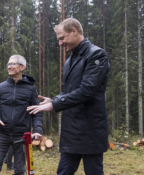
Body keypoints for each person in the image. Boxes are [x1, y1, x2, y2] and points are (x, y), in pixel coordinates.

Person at [27, 18, 110, 175]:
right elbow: (69, 90)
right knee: (63, 172)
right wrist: (54, 99)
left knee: (93, 172)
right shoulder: (70, 60)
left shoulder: (96, 55)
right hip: (71, 130)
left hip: (90, 129)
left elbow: (87, 90)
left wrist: (55, 105)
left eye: (62, 38)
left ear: (74, 31)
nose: (60, 43)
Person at [0, 55, 43, 175]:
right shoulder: (0, 87)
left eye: (13, 64)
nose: (9, 67)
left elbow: (37, 112)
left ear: (22, 67)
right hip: (2, 134)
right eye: (8, 64)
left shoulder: (31, 88)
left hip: (22, 136)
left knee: (19, 171)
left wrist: (38, 130)